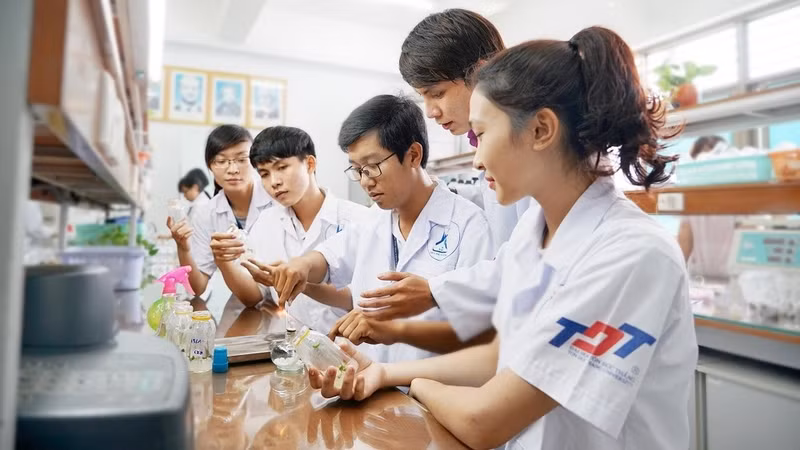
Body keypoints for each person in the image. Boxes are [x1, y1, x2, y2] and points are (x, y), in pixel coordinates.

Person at [305, 27, 698, 450]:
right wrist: (382, 373)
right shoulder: (533, 234)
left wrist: (412, 383)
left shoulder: (631, 253)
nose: (476, 156)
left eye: (482, 133)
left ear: (541, 130)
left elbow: (484, 420)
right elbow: (507, 355)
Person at [352, 9, 535, 345]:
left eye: (436, 93)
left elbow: (528, 270)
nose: (430, 111)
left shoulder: (530, 157)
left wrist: (435, 291)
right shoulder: (491, 158)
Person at [267, 94, 496, 362]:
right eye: (357, 170)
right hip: (372, 380)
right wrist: (301, 265)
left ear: (413, 155)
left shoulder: (470, 226)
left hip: (430, 391)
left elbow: (479, 333)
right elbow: (328, 259)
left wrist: (398, 329)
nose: (365, 182)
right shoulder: (374, 219)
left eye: (373, 167)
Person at [399, 8, 532, 246]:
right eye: (423, 97)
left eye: (437, 94)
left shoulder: (526, 142)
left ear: (481, 73)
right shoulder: (485, 141)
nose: (430, 112)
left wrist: (435, 286)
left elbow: (528, 254)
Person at [213, 126, 371, 325]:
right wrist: (223, 262)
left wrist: (298, 282)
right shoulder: (265, 223)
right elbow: (254, 296)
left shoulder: (358, 220)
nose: (274, 182)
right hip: (294, 348)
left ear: (310, 164)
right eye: (264, 174)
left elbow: (363, 300)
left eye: (281, 168)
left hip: (351, 346)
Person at [167, 125, 273, 295]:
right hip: (243, 300)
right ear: (210, 166)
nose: (232, 169)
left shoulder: (276, 196)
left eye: (241, 159)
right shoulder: (206, 214)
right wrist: (183, 249)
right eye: (222, 161)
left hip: (290, 302)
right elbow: (197, 287)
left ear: (254, 161)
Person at [678, 135, 735, 279]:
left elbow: (685, 242)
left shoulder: (692, 196)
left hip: (700, 277)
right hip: (734, 275)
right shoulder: (738, 195)